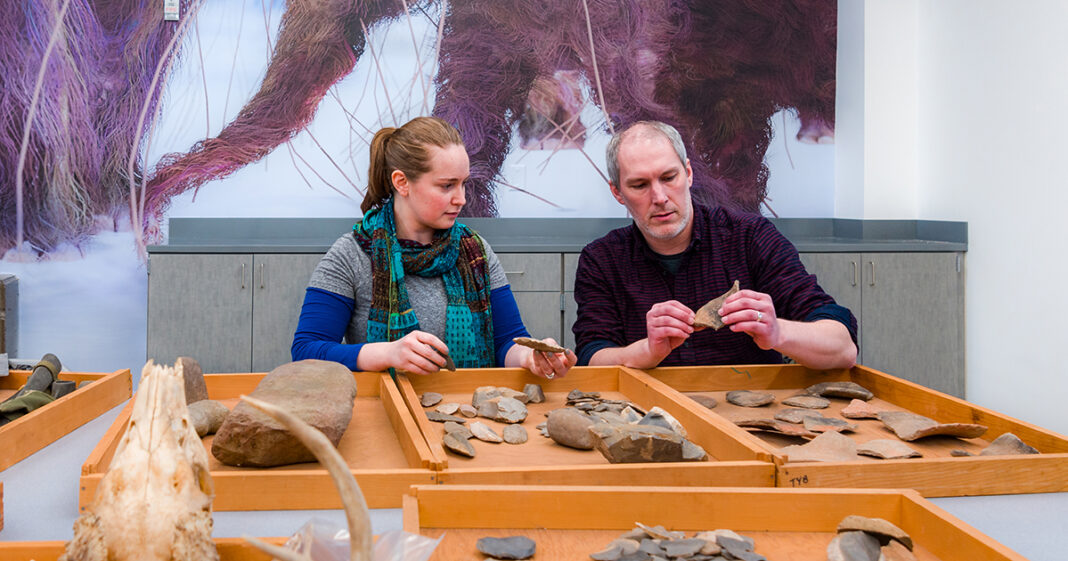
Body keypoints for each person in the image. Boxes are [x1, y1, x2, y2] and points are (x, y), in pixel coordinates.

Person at [292, 116, 576, 378]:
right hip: (388, 411)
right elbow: (305, 351)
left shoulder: (475, 251)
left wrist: (530, 357)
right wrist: (386, 353)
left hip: (467, 415)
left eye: (463, 184)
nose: (461, 198)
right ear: (402, 182)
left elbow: (506, 341)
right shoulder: (351, 255)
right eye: (446, 186)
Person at [573, 121, 857, 370]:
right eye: (639, 185)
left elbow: (843, 349)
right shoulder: (601, 260)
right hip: (644, 413)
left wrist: (777, 332)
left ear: (688, 173)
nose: (659, 196)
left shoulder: (751, 238)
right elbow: (591, 359)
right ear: (617, 192)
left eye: (669, 177)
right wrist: (648, 350)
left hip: (746, 414)